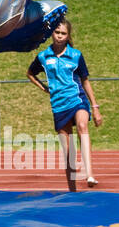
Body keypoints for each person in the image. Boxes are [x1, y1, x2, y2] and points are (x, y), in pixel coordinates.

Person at [27, 18, 102, 188]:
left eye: (63, 33)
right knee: (68, 150)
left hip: (77, 98)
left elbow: (85, 81)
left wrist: (95, 107)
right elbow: (30, 73)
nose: (60, 36)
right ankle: (72, 189)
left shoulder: (76, 55)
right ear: (52, 34)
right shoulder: (43, 56)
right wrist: (44, 88)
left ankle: (90, 174)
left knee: (83, 125)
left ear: (68, 36)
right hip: (59, 104)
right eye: (57, 32)